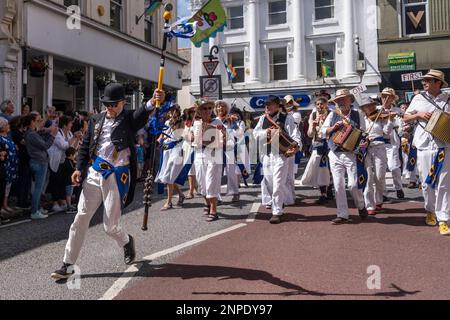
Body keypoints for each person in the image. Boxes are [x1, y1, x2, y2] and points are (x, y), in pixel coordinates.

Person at [51, 84, 164, 280]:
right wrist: (78, 168)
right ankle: (67, 264)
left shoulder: (128, 118)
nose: (110, 108)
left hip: (116, 175)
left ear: (122, 103)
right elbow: (86, 145)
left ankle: (127, 241)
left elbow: (142, 113)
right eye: (107, 104)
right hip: (95, 172)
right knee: (81, 218)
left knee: (110, 227)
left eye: (114, 104)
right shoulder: (96, 119)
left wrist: (153, 100)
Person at [404, 69, 450, 235]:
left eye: (429, 80)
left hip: (444, 145)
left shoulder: (448, 98)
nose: (424, 82)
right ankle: (430, 210)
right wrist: (419, 115)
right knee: (426, 182)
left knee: (444, 184)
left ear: (438, 83)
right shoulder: (417, 98)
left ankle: (443, 219)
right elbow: (405, 117)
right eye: (424, 80)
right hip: (423, 145)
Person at [321, 89, 368, 224]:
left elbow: (363, 133)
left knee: (353, 185)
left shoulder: (358, 114)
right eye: (338, 100)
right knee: (338, 185)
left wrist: (364, 141)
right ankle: (342, 214)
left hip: (351, 153)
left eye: (343, 99)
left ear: (350, 100)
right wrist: (333, 127)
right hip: (335, 153)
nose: (341, 102)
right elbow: (323, 132)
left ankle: (360, 205)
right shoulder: (332, 115)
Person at [253, 95, 301, 224]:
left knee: (278, 183)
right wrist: (266, 132)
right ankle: (278, 204)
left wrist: (295, 147)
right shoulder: (263, 119)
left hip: (281, 155)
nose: (267, 106)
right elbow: (255, 134)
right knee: (269, 183)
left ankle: (277, 211)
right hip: (267, 155)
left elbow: (295, 135)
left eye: (270, 104)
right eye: (266, 104)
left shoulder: (287, 118)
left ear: (277, 105)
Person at [359, 96, 394, 216]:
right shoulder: (361, 119)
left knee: (380, 176)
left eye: (370, 105)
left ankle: (379, 200)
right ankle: (369, 205)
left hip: (379, 147)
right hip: (366, 149)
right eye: (366, 106)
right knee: (368, 178)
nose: (369, 107)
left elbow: (387, 132)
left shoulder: (381, 117)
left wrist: (390, 120)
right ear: (363, 108)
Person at [191, 100, 224, 222]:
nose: (208, 110)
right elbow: (190, 138)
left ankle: (214, 211)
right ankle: (207, 204)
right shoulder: (196, 123)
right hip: (199, 154)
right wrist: (192, 137)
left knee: (211, 182)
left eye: (210, 108)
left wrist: (221, 134)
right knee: (202, 183)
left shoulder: (217, 122)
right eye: (205, 108)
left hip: (214, 154)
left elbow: (225, 139)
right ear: (200, 111)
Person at [23, 113, 58, 219]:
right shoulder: (31, 134)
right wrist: (53, 135)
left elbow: (42, 131)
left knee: (39, 187)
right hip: (39, 162)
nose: (40, 122)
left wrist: (49, 129)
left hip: (39, 161)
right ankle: (34, 211)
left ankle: (37, 208)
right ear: (32, 122)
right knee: (38, 188)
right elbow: (45, 146)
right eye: (38, 121)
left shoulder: (32, 132)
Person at [47, 115, 82, 212]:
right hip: (55, 161)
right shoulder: (58, 133)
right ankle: (55, 203)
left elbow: (73, 149)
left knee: (62, 182)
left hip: (64, 162)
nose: (72, 125)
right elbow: (64, 146)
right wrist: (74, 137)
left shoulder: (69, 133)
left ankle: (62, 202)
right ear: (65, 124)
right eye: (70, 123)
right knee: (55, 181)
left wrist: (77, 138)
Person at [300, 97, 331, 204]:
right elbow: (309, 134)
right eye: (317, 104)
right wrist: (313, 126)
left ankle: (329, 189)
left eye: (322, 104)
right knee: (319, 168)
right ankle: (323, 193)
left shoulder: (332, 114)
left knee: (330, 168)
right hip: (318, 145)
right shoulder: (313, 116)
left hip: (331, 145)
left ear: (326, 104)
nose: (319, 106)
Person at [155, 104, 186, 210]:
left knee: (168, 176)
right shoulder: (167, 122)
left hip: (176, 150)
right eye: (170, 111)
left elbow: (178, 135)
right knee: (168, 177)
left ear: (178, 112)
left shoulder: (181, 122)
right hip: (167, 150)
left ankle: (169, 202)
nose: (171, 113)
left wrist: (173, 124)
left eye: (174, 111)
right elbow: (162, 134)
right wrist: (159, 139)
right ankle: (181, 195)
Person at [379, 88, 405, 200]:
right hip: (379, 142)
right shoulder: (376, 110)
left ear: (393, 98)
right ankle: (383, 193)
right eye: (384, 96)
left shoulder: (397, 111)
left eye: (388, 96)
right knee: (381, 169)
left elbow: (401, 127)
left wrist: (401, 127)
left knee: (394, 167)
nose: (385, 98)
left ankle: (398, 187)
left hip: (392, 142)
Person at [11, 116, 31, 210]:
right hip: (22, 160)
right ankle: (21, 202)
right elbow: (24, 142)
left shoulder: (22, 132)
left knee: (27, 182)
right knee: (22, 182)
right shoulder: (16, 133)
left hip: (27, 159)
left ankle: (25, 200)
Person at [0, 117, 19, 216]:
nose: (9, 126)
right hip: (5, 164)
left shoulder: (8, 136)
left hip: (12, 164)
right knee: (3, 186)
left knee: (8, 186)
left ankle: (5, 204)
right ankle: (2, 206)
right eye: (7, 125)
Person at [60, 147, 77, 214]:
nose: (75, 156)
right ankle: (69, 207)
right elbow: (72, 170)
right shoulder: (69, 162)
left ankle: (69, 206)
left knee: (69, 194)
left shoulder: (67, 161)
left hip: (67, 181)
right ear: (70, 155)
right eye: (74, 155)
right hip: (68, 181)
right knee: (68, 194)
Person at [0, 143, 8, 224]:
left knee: (2, 193)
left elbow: (6, 152)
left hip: (2, 172)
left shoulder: (1, 143)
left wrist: (4, 154)